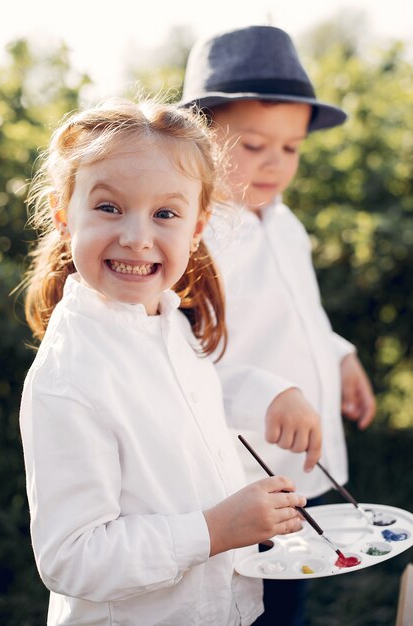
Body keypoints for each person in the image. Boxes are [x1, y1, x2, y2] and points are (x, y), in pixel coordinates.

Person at [19, 98, 307, 626]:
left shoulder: (166, 321)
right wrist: (216, 529)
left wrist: (268, 391)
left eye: (165, 214)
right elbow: (72, 558)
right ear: (64, 216)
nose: (136, 236)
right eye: (108, 207)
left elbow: (188, 396)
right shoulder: (69, 377)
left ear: (197, 227)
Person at [180, 25, 376, 625]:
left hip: (301, 463)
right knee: (250, 602)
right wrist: (266, 391)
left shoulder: (285, 224)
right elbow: (183, 351)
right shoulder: (195, 231)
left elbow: (302, 313)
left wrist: (341, 354)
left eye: (290, 148)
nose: (274, 164)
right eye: (253, 144)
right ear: (201, 138)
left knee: (297, 586)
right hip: (243, 474)